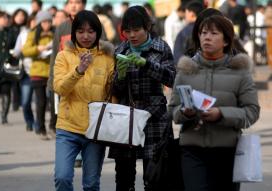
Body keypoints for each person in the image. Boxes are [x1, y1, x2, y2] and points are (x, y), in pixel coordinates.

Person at [168, 15, 260, 191]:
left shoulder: (240, 73)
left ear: (226, 41)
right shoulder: (186, 71)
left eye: (213, 33)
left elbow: (252, 111)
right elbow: (173, 110)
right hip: (192, 150)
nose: (207, 37)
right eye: (203, 33)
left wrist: (222, 114)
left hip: (227, 151)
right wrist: (185, 112)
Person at [108, 5, 176, 191]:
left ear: (147, 27)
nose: (132, 35)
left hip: (154, 119)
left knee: (155, 178)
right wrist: (119, 77)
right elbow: (115, 90)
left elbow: (172, 79)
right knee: (124, 179)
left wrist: (147, 65)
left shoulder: (161, 48)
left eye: (136, 30)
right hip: (126, 120)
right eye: (127, 31)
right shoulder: (120, 50)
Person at [53, 10, 115, 191]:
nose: (86, 36)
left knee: (91, 184)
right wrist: (79, 70)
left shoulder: (108, 58)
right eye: (80, 31)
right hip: (68, 128)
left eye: (91, 31)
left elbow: (112, 93)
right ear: (74, 33)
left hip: (96, 131)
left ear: (98, 32)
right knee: (62, 177)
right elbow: (59, 88)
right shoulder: (63, 56)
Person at [47, 0, 87, 167]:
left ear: (83, 4)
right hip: (66, 80)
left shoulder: (93, 22)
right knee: (67, 114)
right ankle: (75, 153)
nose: (73, 6)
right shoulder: (62, 27)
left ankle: (86, 152)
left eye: (77, 2)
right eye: (70, 2)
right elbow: (55, 55)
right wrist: (52, 79)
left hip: (87, 80)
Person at [22, 10, 54, 140]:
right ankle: (40, 128)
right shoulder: (33, 33)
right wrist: (38, 49)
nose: (47, 24)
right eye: (44, 22)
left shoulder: (53, 33)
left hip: (51, 71)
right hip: (37, 72)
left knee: (52, 102)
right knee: (41, 102)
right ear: (40, 22)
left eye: (49, 22)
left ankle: (53, 126)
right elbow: (25, 50)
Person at [13, 13, 37, 131]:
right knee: (26, 101)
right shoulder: (23, 34)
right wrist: (20, 50)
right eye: (34, 21)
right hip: (27, 72)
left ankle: (39, 123)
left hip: (41, 73)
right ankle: (29, 121)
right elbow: (16, 52)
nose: (35, 23)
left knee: (40, 102)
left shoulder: (45, 35)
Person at [0, 11, 12, 124]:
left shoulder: (9, 32)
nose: (6, 20)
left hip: (6, 66)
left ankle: (4, 116)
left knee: (6, 90)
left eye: (6, 18)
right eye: (3, 18)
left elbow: (15, 46)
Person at [173, 0, 205, 64]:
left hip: (188, 70)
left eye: (186, 13)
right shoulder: (209, 30)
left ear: (191, 14)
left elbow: (178, 58)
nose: (185, 16)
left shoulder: (183, 33)